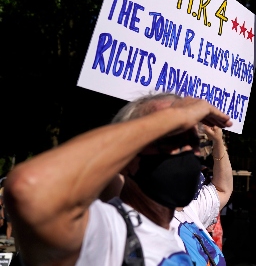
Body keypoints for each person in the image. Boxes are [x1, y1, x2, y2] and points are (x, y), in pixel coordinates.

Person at [3, 94, 232, 265]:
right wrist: (175, 116)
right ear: (128, 156)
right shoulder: (109, 232)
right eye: (171, 137)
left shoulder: (185, 215)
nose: (189, 153)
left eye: (194, 142)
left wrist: (218, 142)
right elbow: (28, 190)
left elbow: (222, 190)